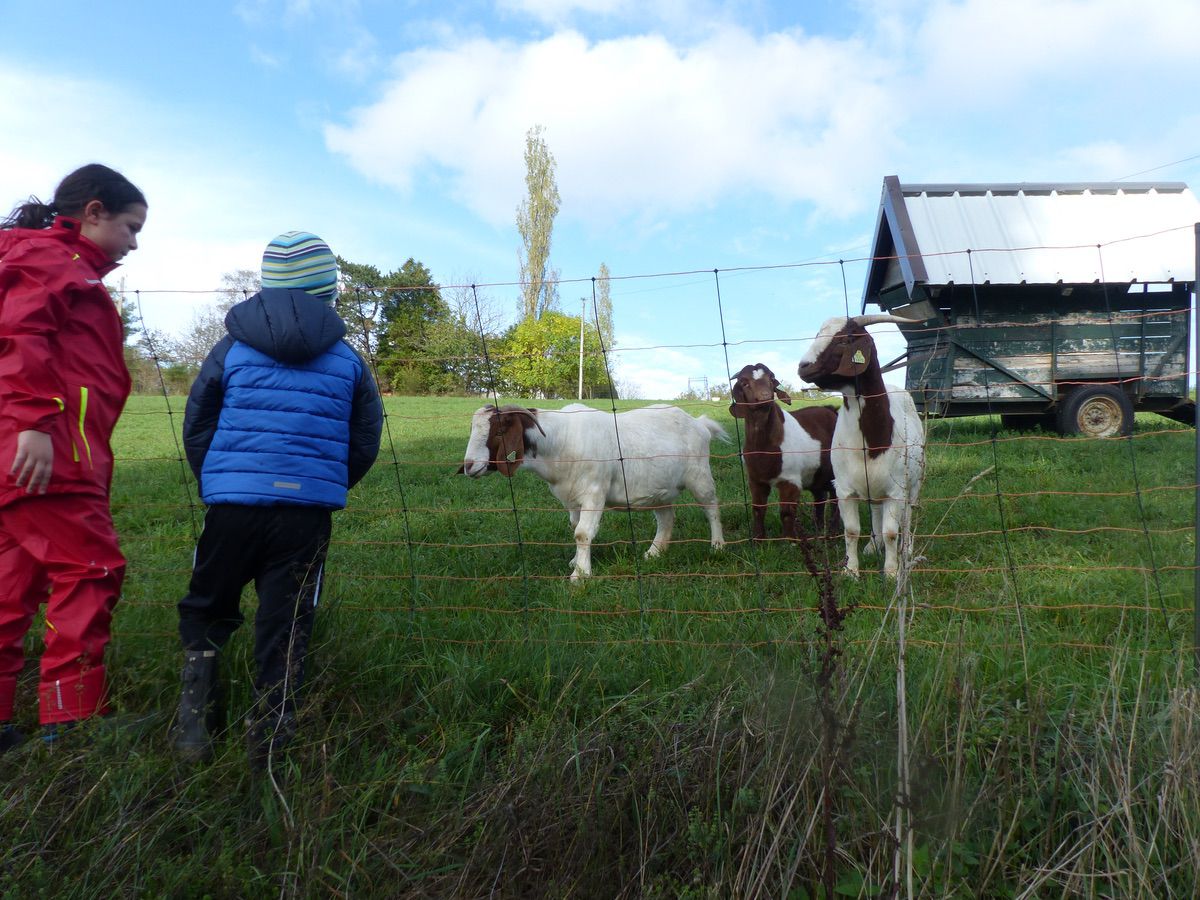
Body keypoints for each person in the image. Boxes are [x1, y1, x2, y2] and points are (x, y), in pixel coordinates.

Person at [174, 231, 383, 767]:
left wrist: (220, 480)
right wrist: (320, 484)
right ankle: (270, 737)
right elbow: (363, 441)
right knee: (287, 619)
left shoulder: (231, 348)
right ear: (330, 292)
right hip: (305, 516)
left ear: (265, 287)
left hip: (232, 508)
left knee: (208, 603)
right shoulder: (349, 359)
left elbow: (198, 423)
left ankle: (195, 725)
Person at [0, 164, 148, 753]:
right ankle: (73, 718)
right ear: (93, 212)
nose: (134, 243)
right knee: (90, 570)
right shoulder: (50, 263)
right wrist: (34, 421)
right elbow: (20, 336)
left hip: (40, 453)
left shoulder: (56, 264)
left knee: (13, 583)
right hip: (53, 455)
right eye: (131, 227)